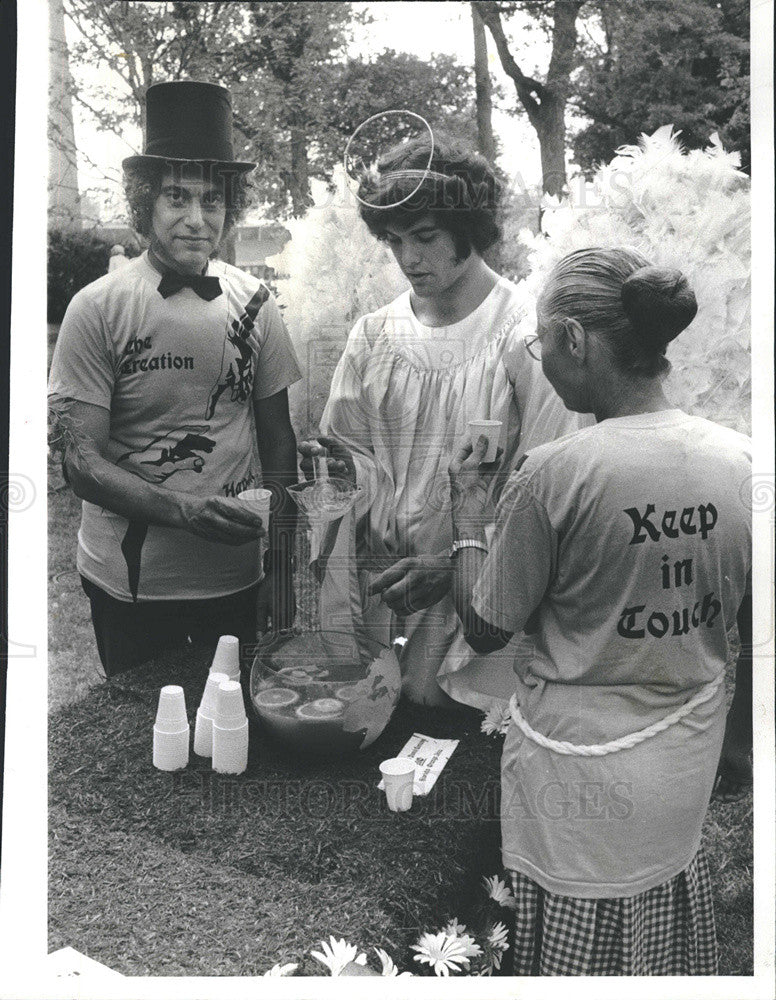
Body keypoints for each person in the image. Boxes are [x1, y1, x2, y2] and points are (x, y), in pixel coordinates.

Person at [449, 247, 752, 975]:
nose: (540, 355)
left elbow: (488, 625)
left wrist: (465, 518)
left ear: (573, 341)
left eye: (539, 341)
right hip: (680, 773)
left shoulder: (556, 472)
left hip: (576, 793)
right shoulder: (743, 461)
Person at [300, 136, 583, 708]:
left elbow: (550, 492)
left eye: (425, 237)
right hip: (386, 591)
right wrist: (339, 480)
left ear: (469, 228)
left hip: (483, 598)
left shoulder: (526, 337)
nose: (408, 259)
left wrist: (452, 560)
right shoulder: (373, 336)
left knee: (448, 727)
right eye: (394, 240)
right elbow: (347, 459)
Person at [48, 81, 301, 677]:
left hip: (238, 581)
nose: (197, 219)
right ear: (145, 205)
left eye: (212, 200)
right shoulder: (97, 308)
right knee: (146, 748)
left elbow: (279, 446)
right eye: (176, 198)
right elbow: (80, 462)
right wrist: (185, 511)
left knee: (233, 742)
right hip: (130, 589)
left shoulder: (257, 303)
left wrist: (283, 573)